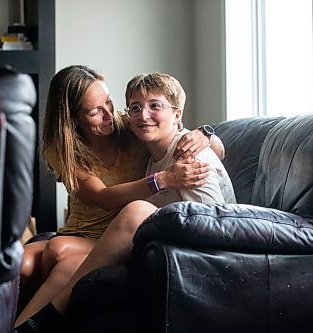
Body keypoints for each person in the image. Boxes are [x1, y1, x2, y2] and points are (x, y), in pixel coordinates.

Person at [14, 72, 236, 332]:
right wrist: (161, 180)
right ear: (74, 119)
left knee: (61, 252)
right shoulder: (67, 146)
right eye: (96, 111)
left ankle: (39, 322)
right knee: (20, 264)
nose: (109, 114)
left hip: (127, 231)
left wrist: (205, 135)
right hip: (88, 231)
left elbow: (214, 167)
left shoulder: (140, 130)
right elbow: (101, 197)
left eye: (109, 102)